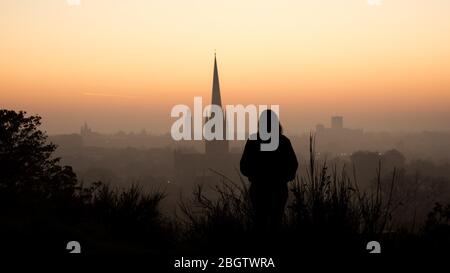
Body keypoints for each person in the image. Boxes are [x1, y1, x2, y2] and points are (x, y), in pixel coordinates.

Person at [240, 109, 298, 233]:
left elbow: (244, 166)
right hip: (278, 190)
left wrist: (254, 175)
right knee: (276, 224)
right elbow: (293, 165)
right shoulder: (284, 142)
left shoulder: (253, 141)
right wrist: (284, 178)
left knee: (260, 223)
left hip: (258, 189)